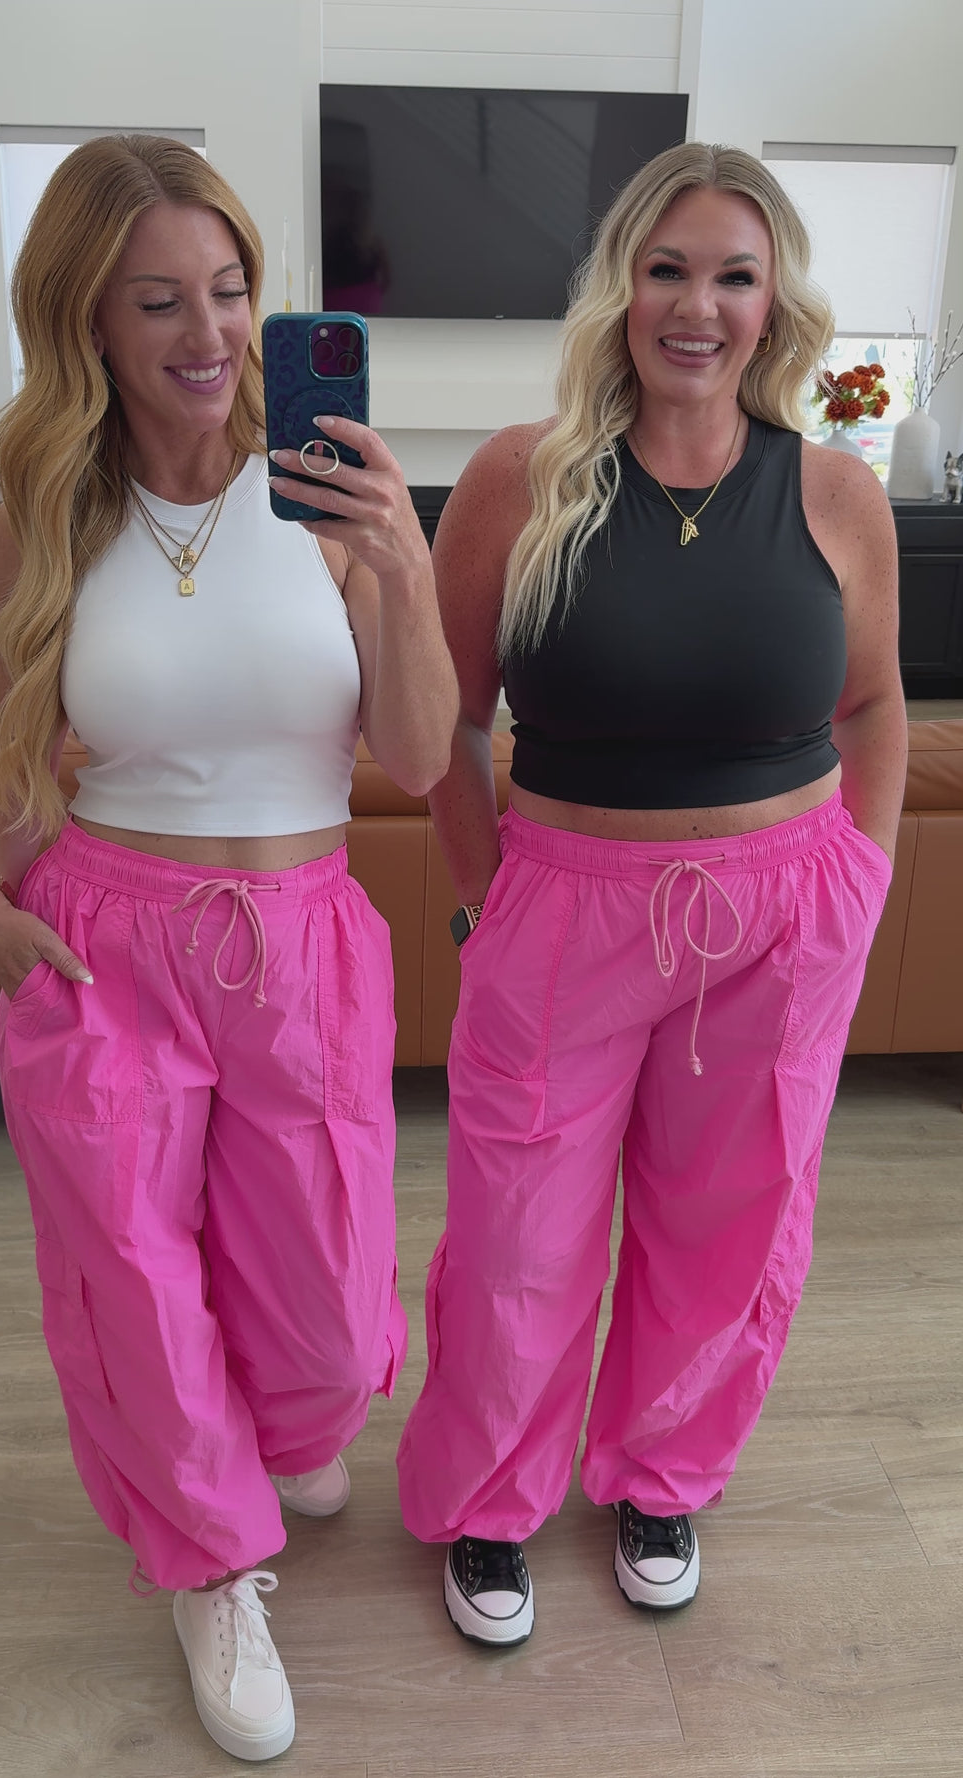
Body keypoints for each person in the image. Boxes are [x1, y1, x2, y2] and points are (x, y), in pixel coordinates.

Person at [0, 135, 456, 1759]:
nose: (210, 332)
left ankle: (285, 1430)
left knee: (328, 1309)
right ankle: (209, 1565)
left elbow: (421, 752)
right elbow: (18, 756)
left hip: (303, 943)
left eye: (231, 289)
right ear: (89, 321)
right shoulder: (44, 510)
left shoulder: (327, 495)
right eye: (158, 299)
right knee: (134, 1277)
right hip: (104, 943)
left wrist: (401, 564)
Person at [396, 141, 906, 1647]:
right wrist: (487, 895)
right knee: (519, 1229)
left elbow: (875, 705)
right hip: (564, 905)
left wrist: (861, 884)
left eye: (734, 276)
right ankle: (493, 1501)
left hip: (783, 915)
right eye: (667, 269)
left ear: (774, 303)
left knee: (731, 1222)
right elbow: (447, 725)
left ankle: (662, 1475)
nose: (698, 306)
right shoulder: (520, 474)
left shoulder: (836, 490)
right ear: (619, 287)